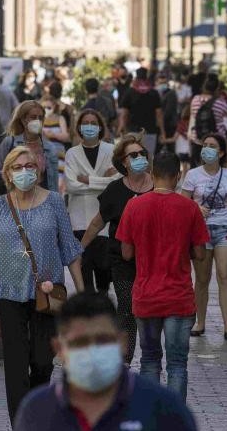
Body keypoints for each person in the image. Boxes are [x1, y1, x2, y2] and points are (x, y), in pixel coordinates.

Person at [0, 146, 85, 423]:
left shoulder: (54, 201)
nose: (25, 171)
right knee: (16, 366)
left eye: (30, 165)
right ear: (7, 173)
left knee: (42, 361)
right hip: (9, 293)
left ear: (39, 170)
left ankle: (38, 411)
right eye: (18, 167)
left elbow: (70, 248)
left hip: (47, 294)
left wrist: (83, 296)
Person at [13, 293, 198, 431]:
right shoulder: (37, 411)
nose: (92, 351)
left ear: (123, 343)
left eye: (103, 340)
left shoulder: (165, 410)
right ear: (59, 348)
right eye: (80, 342)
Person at [116, 152, 209, 401]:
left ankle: (149, 420)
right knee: (177, 365)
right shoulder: (190, 208)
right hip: (179, 296)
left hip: (146, 296)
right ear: (178, 177)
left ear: (152, 175)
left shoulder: (134, 205)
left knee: (149, 361)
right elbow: (200, 253)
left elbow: (126, 253)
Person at [80, 134, 153, 364]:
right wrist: (78, 250)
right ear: (123, 162)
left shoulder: (158, 185)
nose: (140, 157)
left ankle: (151, 357)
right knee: (127, 307)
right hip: (121, 260)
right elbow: (96, 223)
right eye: (134, 155)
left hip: (154, 261)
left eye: (143, 154)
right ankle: (125, 359)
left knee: (152, 311)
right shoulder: (114, 190)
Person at [181, 134, 227, 340]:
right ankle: (200, 322)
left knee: (224, 275)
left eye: (212, 146)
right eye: (204, 145)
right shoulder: (192, 175)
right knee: (202, 279)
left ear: (221, 152)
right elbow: (183, 203)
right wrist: (196, 207)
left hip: (225, 229)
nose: (206, 148)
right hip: (201, 231)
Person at [65, 110, 119, 295]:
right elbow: (71, 186)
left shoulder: (111, 151)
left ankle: (102, 308)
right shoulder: (72, 154)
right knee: (84, 269)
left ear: (100, 126)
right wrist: (102, 180)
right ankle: (88, 312)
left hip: (104, 220)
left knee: (104, 271)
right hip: (79, 220)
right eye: (85, 122)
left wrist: (88, 180)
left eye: (93, 122)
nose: (89, 126)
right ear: (79, 127)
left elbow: (116, 182)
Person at [0, 101, 63, 200]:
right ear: (23, 120)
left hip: (41, 203)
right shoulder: (10, 143)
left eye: (40, 117)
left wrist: (55, 203)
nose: (37, 121)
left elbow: (53, 182)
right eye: (33, 117)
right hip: (13, 201)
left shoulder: (50, 148)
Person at [117, 67, 164, 156]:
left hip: (133, 132)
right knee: (148, 159)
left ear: (136, 78)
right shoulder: (154, 93)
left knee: (133, 159)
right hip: (150, 131)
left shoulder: (129, 92)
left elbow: (124, 114)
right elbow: (159, 115)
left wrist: (122, 129)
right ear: (146, 78)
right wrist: (162, 132)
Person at [189, 74, 227, 165]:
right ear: (217, 88)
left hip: (198, 141)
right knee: (217, 172)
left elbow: (193, 114)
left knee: (198, 172)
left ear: (204, 86)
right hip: (217, 142)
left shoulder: (195, 100)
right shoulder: (220, 102)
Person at [156, 71, 180, 155]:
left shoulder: (171, 93)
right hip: (158, 125)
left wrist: (160, 121)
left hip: (169, 125)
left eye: (164, 79)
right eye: (160, 79)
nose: (162, 81)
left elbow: (169, 111)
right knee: (157, 150)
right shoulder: (155, 92)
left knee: (170, 150)